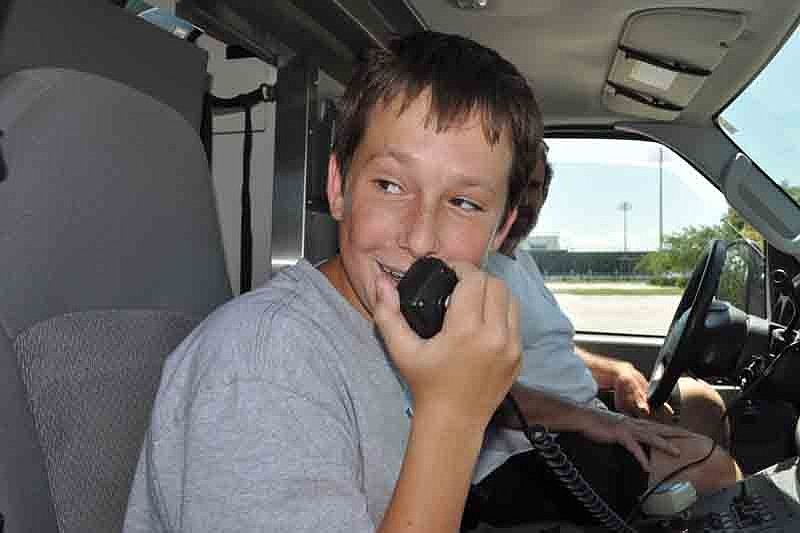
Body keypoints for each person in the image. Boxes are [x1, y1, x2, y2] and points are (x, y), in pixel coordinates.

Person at [123, 31, 739, 533]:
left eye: (464, 204)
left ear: (501, 235)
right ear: (338, 188)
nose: (419, 238)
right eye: (390, 185)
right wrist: (452, 412)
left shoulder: (422, 335)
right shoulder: (261, 365)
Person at [486, 142, 728, 444]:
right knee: (713, 466)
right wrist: (595, 420)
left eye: (533, 186)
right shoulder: (477, 270)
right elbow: (489, 397)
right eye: (513, 184)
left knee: (702, 402)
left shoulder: (521, 259)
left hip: (584, 415)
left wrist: (617, 371)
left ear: (544, 195)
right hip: (542, 444)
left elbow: (549, 348)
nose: (522, 198)